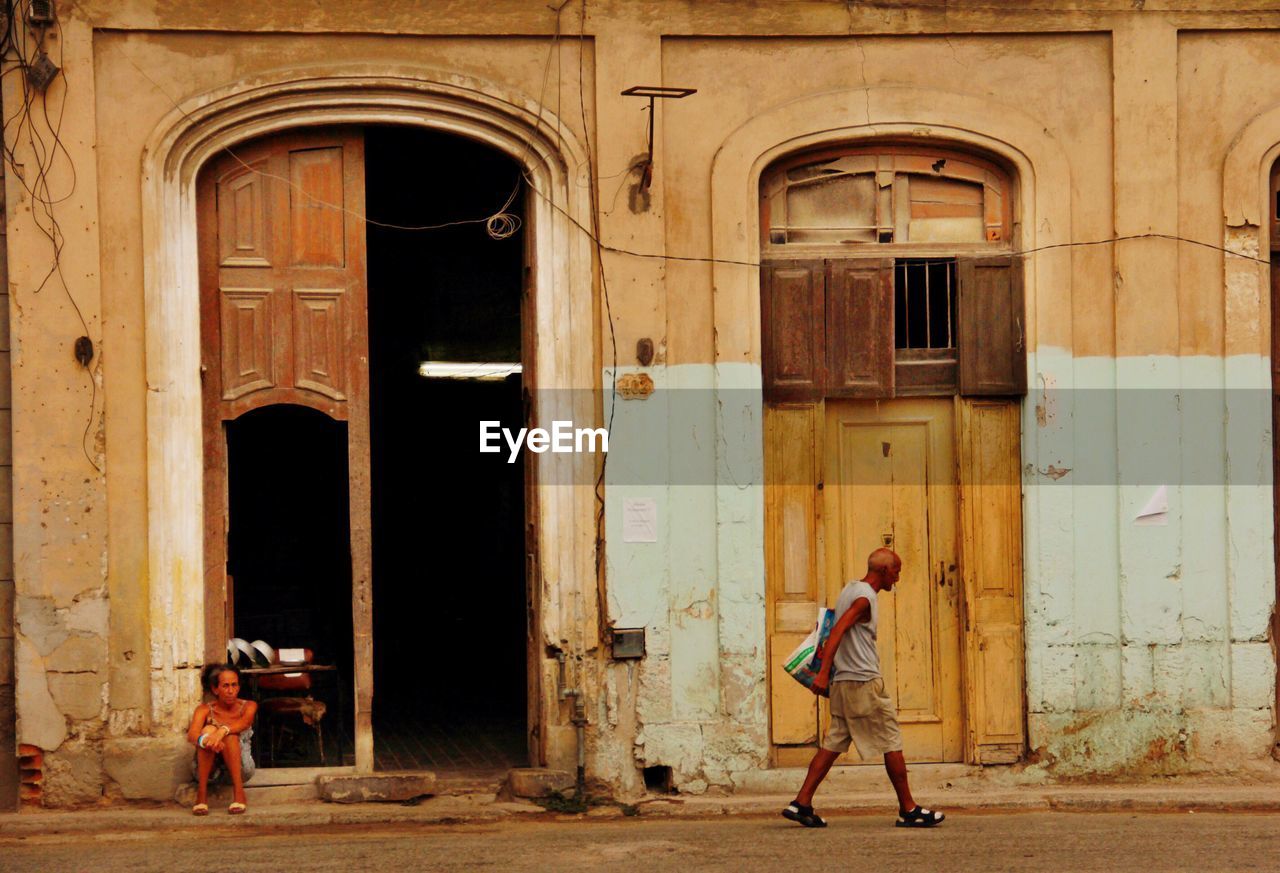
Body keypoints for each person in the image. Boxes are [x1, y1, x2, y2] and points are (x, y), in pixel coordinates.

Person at [782, 548, 945, 829]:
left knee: (833, 743)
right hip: (862, 683)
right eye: (896, 571)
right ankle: (909, 809)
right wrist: (821, 673)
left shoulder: (850, 589)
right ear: (883, 571)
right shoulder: (865, 598)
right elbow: (837, 630)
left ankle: (802, 802)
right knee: (892, 741)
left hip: (845, 682)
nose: (898, 577)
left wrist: (829, 674)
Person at [187, 663, 258, 816]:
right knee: (207, 731)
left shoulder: (249, 706)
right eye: (225, 686)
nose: (231, 691)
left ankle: (239, 793)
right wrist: (207, 740)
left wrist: (222, 731)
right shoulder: (204, 709)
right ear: (215, 689)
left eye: (234, 685)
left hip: (241, 770)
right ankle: (202, 795)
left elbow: (244, 723)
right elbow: (192, 735)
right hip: (209, 772)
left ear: (239, 687)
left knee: (230, 735)